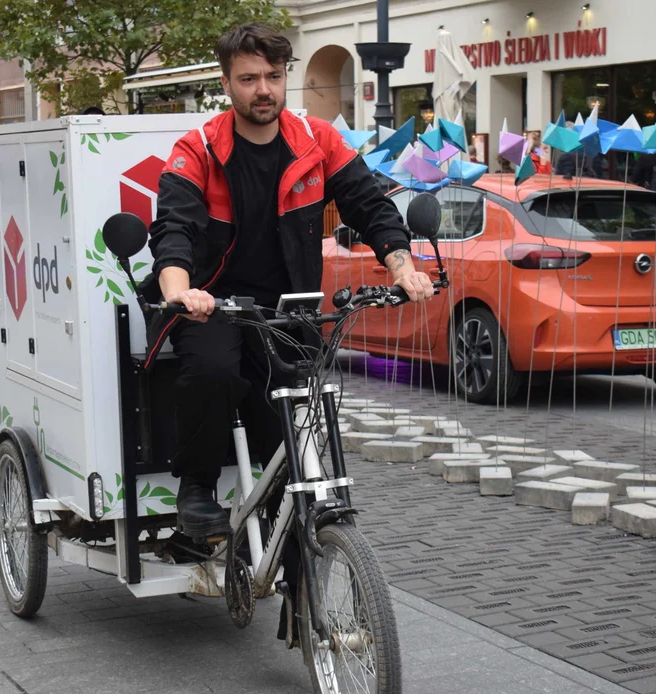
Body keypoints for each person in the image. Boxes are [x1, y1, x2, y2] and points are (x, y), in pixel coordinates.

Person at [140, 23, 435, 541]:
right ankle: (196, 488)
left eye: (273, 76)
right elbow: (174, 228)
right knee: (211, 368)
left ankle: (300, 568)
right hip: (217, 304)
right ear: (227, 84)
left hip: (290, 311)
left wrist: (402, 266)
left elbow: (370, 204)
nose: (264, 90)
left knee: (296, 425)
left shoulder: (317, 141)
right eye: (249, 78)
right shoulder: (200, 149)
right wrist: (179, 291)